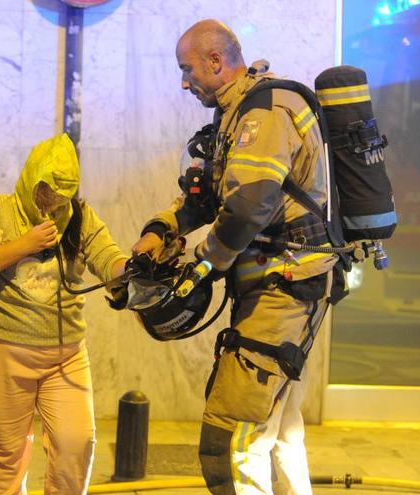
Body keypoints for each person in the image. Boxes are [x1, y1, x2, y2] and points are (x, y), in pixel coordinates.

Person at [132, 19, 338, 495]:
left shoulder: (265, 111)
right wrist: (162, 229)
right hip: (276, 285)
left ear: (216, 61)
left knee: (233, 436)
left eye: (188, 69)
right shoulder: (235, 114)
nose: (184, 82)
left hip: (283, 286)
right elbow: (209, 198)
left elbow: (250, 205)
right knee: (279, 427)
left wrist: (204, 264)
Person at [0, 133, 129, 495]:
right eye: (45, 193)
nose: (51, 205)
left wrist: (132, 269)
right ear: (30, 180)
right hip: (1, 348)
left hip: (65, 355)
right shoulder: (1, 209)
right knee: (7, 453)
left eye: (60, 197)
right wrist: (26, 244)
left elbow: (107, 257)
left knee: (76, 442)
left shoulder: (80, 217)